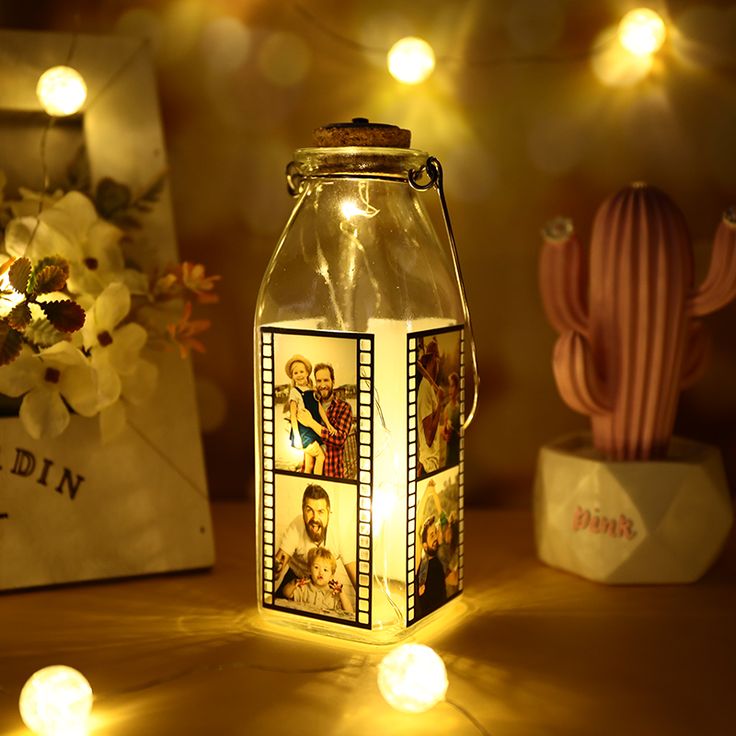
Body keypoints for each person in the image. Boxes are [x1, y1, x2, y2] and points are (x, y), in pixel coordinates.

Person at [273, 484, 357, 599]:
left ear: (329, 513)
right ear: (303, 511)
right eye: (309, 510)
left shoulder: (339, 532)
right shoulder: (296, 525)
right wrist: (276, 569)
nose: (315, 518)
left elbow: (356, 578)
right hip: (297, 579)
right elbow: (278, 566)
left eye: (320, 511)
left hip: (324, 584)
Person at [297, 362, 354, 479]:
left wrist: (311, 423)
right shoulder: (308, 404)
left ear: (333, 381)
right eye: (319, 381)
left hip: (332, 473)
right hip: (309, 470)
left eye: (326, 380)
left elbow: (339, 439)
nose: (322, 385)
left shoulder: (344, 408)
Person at [285, 355, 336, 475]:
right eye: (295, 373)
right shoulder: (294, 392)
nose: (299, 375)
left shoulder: (312, 390)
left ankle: (307, 478)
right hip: (303, 433)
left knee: (309, 464)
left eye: (301, 371)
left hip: (311, 430)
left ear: (307, 372)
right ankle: (316, 480)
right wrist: (297, 436)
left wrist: (328, 425)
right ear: (292, 376)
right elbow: (293, 416)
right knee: (321, 457)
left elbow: (319, 409)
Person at [282, 547, 354, 616]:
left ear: (331, 575)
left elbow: (350, 612)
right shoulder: (303, 587)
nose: (320, 572)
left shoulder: (334, 594)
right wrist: (295, 583)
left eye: (325, 570)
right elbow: (286, 593)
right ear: (310, 569)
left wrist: (341, 593)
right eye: (316, 567)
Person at [417, 339, 445, 476]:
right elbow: (428, 438)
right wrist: (440, 404)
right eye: (437, 359)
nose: (438, 364)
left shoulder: (429, 388)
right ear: (433, 359)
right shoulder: (426, 388)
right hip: (428, 467)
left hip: (430, 465)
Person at [416, 515, 447, 617]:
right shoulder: (420, 566)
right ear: (424, 545)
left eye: (435, 533)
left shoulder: (439, 561)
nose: (435, 538)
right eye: (432, 535)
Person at [442, 372, 461, 467]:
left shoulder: (460, 409)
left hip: (458, 454)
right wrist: (446, 434)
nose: (450, 390)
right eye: (449, 386)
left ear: (457, 388)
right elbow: (444, 434)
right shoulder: (446, 409)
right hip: (449, 454)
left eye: (453, 386)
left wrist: (458, 434)